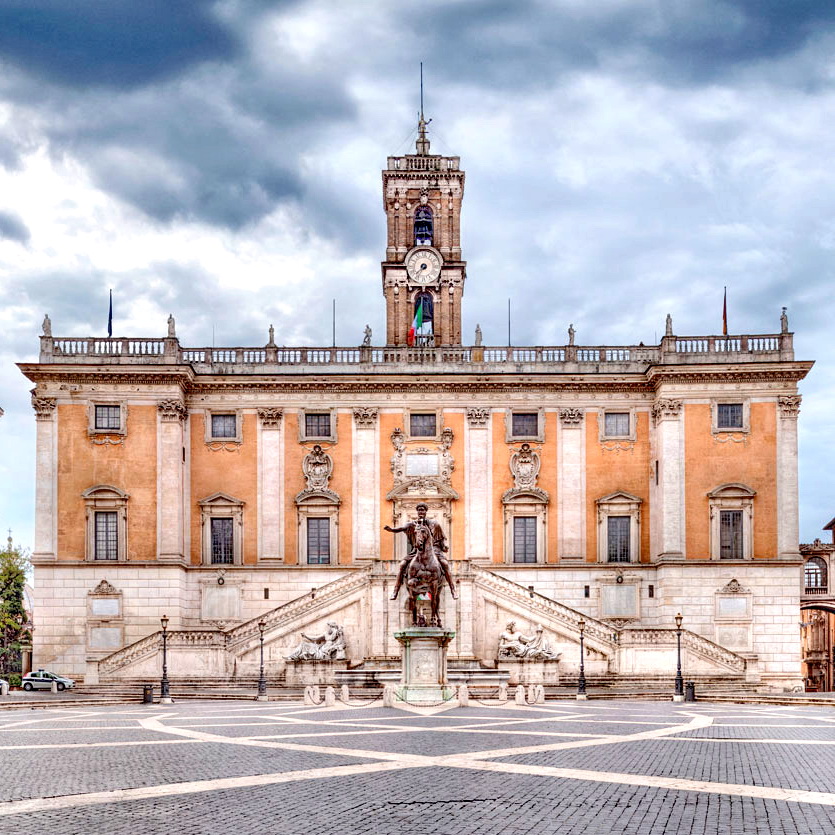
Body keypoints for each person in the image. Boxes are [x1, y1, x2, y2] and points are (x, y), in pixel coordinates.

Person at [385, 503, 457, 600]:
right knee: (402, 565)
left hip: (434, 550)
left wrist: (444, 545)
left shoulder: (435, 524)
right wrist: (391, 530)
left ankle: (453, 589)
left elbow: (441, 537)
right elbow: (401, 528)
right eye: (419, 510)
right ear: (417, 512)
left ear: (426, 511)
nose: (421, 512)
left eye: (422, 510)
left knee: (445, 564)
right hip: (417, 550)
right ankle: (395, 590)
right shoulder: (412, 524)